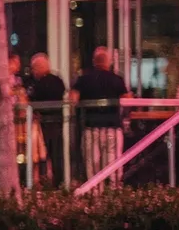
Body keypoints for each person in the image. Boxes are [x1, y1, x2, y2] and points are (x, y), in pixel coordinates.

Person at [71, 46, 129, 181]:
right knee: (113, 162)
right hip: (112, 127)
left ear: (94, 61)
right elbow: (126, 100)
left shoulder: (84, 79)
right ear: (109, 61)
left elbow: (73, 98)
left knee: (92, 165)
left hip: (91, 127)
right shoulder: (117, 79)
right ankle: (114, 191)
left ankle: (95, 192)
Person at [26, 53, 67, 185]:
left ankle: (46, 179)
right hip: (57, 121)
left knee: (46, 151)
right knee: (57, 151)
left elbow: (32, 99)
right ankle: (58, 179)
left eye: (34, 69)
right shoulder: (58, 81)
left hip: (45, 122)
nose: (33, 72)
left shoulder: (39, 84)